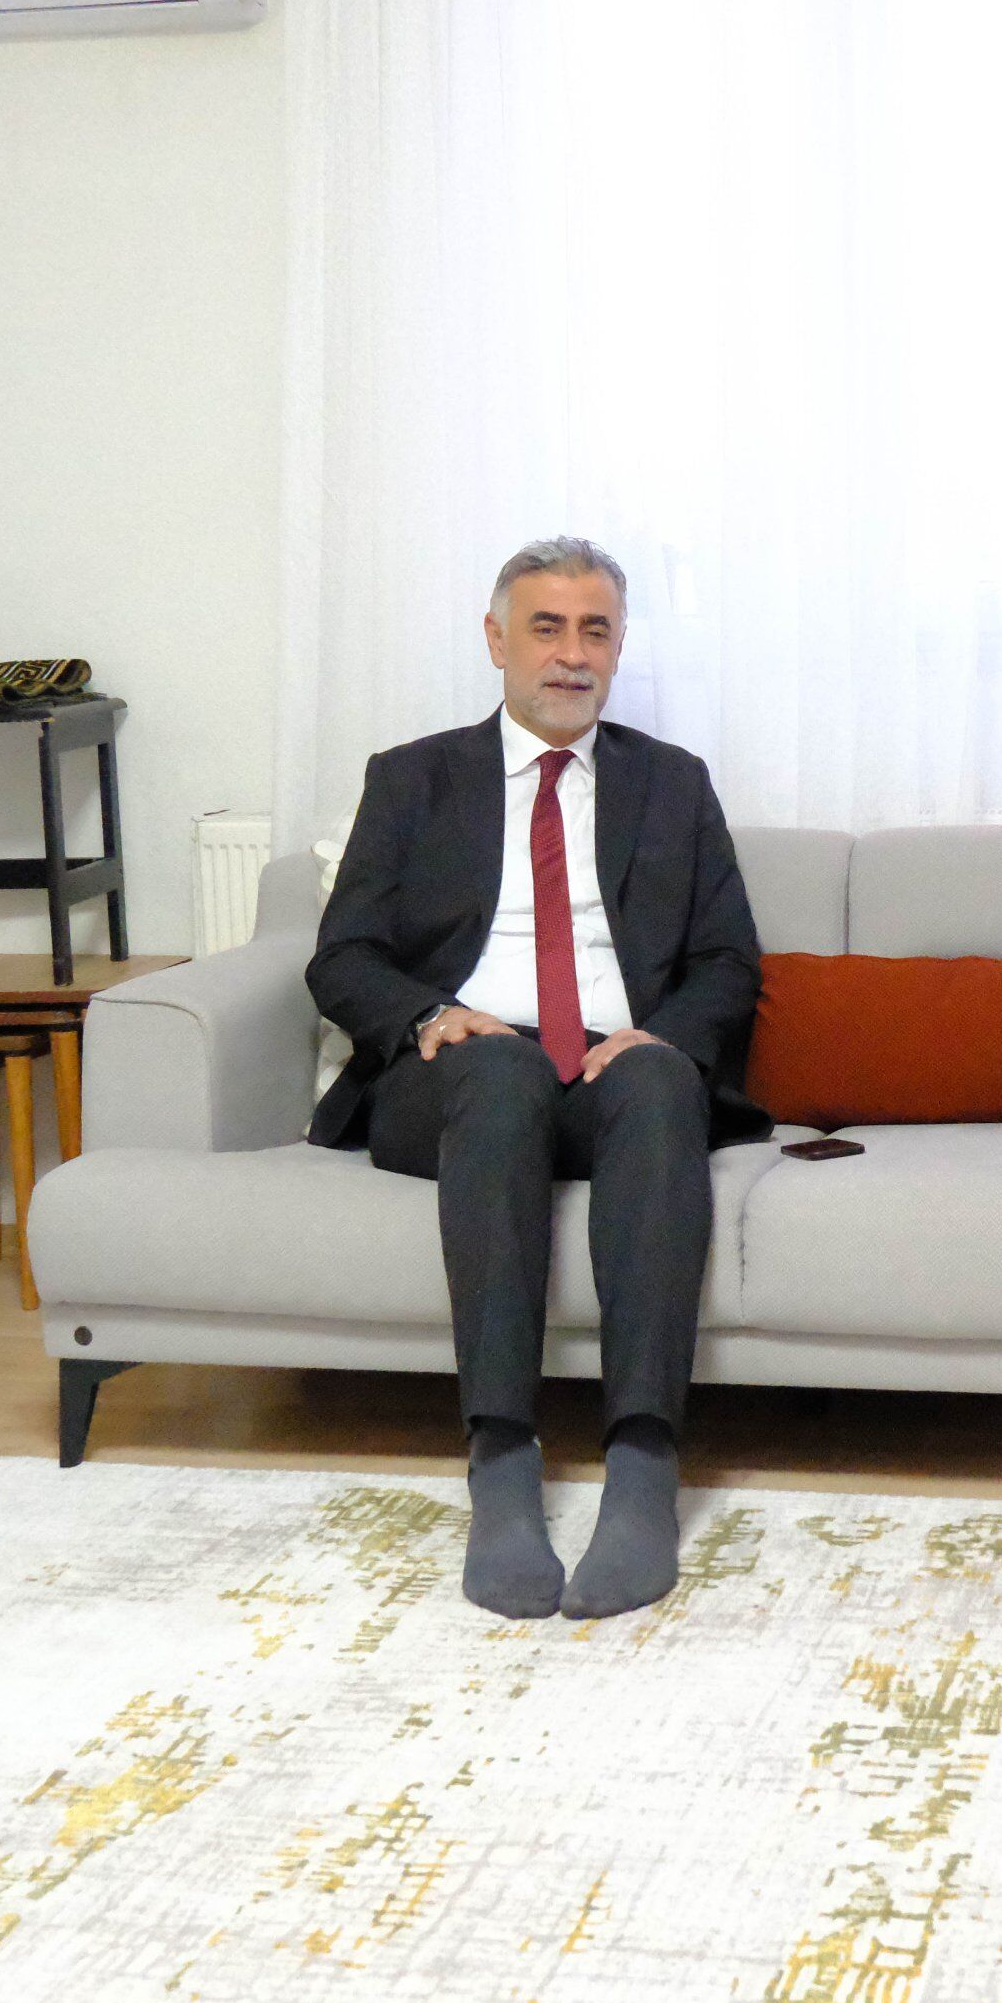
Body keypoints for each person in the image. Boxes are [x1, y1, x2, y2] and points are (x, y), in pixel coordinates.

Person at [305, 538, 764, 1621]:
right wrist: (431, 1015)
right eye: (547, 627)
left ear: (619, 647)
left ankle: (642, 1468)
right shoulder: (412, 778)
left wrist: (656, 1036)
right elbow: (342, 957)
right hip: (457, 1071)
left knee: (661, 1083)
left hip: (610, 1064)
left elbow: (727, 962)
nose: (572, 654)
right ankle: (502, 1464)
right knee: (503, 1071)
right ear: (496, 640)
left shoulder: (672, 783)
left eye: (595, 630)